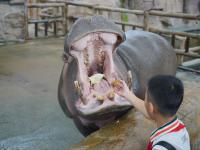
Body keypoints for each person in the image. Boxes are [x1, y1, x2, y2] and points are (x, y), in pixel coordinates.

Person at [113, 75, 190, 150]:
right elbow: (151, 113)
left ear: (151, 107)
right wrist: (126, 93)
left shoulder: (160, 147)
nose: (144, 101)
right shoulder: (180, 127)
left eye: (146, 98)